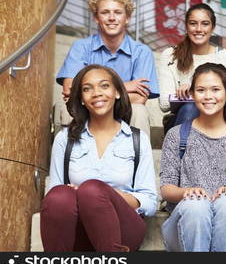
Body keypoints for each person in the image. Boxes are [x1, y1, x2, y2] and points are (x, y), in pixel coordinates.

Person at [41, 64, 157, 252]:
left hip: (124, 228)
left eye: (104, 86)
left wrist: (109, 196)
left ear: (118, 92)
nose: (96, 93)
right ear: (81, 99)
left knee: (92, 190)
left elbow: (150, 202)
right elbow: (55, 190)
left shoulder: (137, 139)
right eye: (87, 89)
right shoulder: (65, 138)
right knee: (58, 196)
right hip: (78, 228)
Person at [159, 63, 226, 252]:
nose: (208, 96)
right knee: (196, 206)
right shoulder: (176, 135)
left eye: (215, 89)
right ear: (193, 95)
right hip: (184, 225)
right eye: (201, 90)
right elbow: (166, 188)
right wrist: (186, 192)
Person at [55, 0, 159, 138]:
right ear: (96, 18)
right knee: (69, 109)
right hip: (87, 112)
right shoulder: (81, 47)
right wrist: (126, 86)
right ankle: (72, 159)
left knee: (139, 111)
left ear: (127, 18)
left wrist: (90, 92)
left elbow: (139, 98)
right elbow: (70, 90)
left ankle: (138, 160)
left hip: (123, 111)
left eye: (117, 12)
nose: (112, 18)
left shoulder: (142, 52)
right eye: (105, 12)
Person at [158, 3, 226, 134]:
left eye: (205, 23)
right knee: (190, 108)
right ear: (186, 26)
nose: (199, 29)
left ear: (213, 27)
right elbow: (164, 104)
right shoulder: (170, 56)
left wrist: (193, 90)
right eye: (193, 23)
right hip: (182, 119)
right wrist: (184, 95)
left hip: (218, 120)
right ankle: (182, 153)